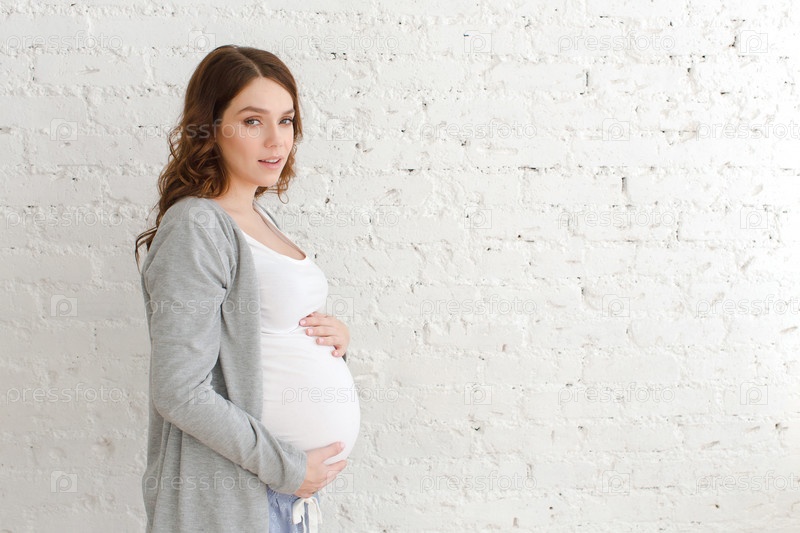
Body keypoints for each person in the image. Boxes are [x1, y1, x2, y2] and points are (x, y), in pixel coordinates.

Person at [134, 44, 361, 533]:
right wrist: (289, 468)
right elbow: (179, 391)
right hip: (240, 500)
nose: (276, 140)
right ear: (210, 127)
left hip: (281, 500)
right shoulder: (197, 225)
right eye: (253, 121)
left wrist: (334, 344)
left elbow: (260, 339)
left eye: (286, 120)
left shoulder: (258, 217)